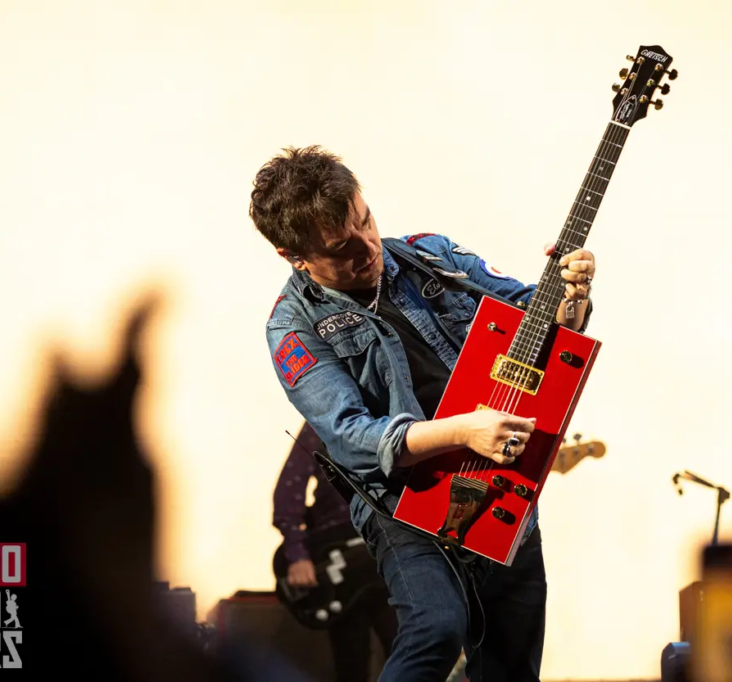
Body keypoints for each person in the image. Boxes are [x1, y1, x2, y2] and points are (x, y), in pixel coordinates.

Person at [249, 145, 597, 682]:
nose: (367, 246)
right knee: (436, 628)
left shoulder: (430, 254)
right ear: (292, 255)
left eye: (366, 220)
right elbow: (350, 436)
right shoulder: (292, 329)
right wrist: (463, 429)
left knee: (511, 662)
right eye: (342, 247)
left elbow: (537, 314)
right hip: (399, 503)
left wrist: (571, 294)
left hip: (498, 484)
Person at [272, 420, 398, 682]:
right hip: (341, 555)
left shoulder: (400, 414)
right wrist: (297, 555)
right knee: (351, 656)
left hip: (391, 547)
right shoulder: (321, 420)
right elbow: (288, 492)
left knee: (408, 646)